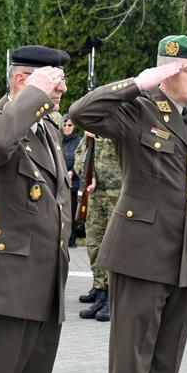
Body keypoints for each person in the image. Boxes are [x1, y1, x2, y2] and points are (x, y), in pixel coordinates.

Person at [70, 35, 187, 373]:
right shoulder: (137, 110)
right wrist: (137, 84)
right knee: (131, 359)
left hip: (183, 257)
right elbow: (81, 113)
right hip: (140, 254)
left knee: (167, 361)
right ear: (165, 73)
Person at [0, 45, 71, 373]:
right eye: (54, 81)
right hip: (1, 294)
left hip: (43, 293)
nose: (63, 89)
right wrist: (33, 97)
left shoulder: (47, 130)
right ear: (23, 82)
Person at [75, 133, 121, 322]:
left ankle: (113, 296)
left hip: (117, 193)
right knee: (94, 244)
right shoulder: (90, 134)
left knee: (115, 247)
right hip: (95, 195)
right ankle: (100, 291)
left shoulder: (120, 129)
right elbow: (80, 156)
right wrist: (88, 174)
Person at [60, 115, 81, 247]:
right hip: (59, 182)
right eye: (65, 125)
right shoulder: (58, 140)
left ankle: (71, 239)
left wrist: (72, 171)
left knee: (71, 212)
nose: (67, 128)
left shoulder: (79, 141)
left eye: (70, 125)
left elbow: (80, 159)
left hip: (73, 182)